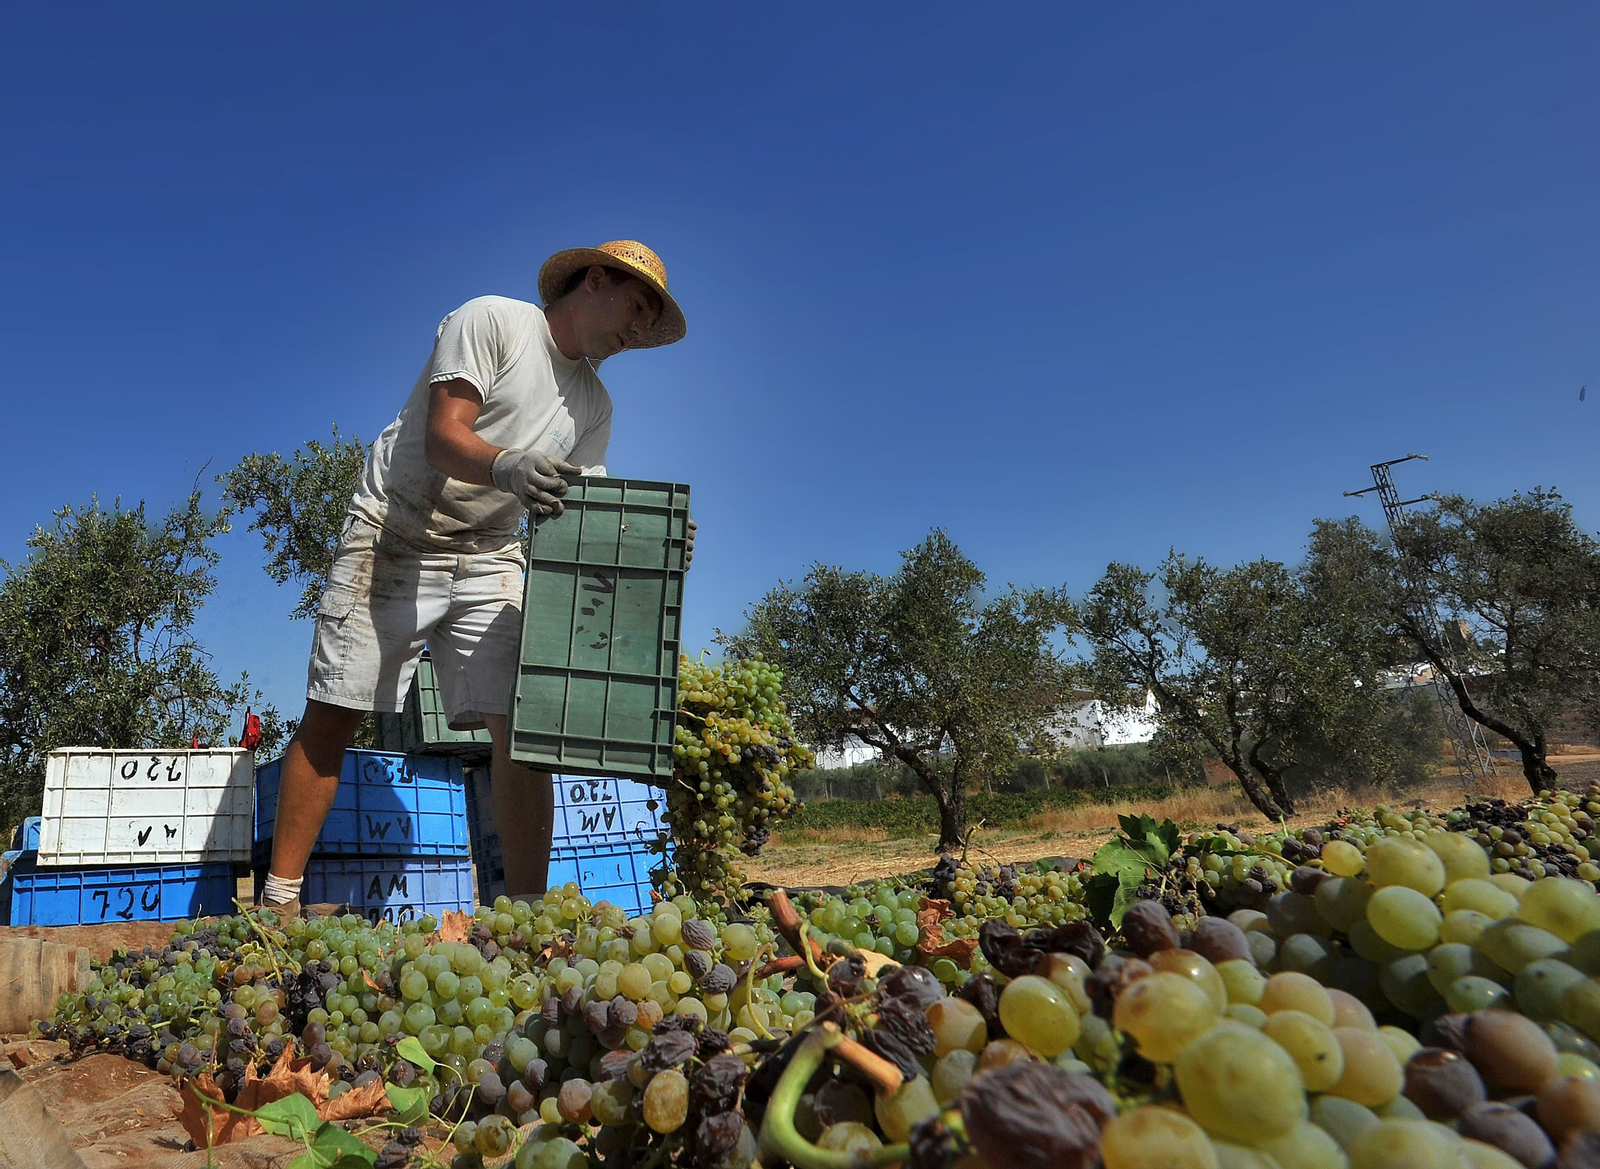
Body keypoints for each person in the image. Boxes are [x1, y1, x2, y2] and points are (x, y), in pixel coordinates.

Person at [259, 240, 691, 918]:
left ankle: (526, 914)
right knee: (336, 709)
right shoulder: (493, 321)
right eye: (636, 309)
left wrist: (650, 542)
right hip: (396, 530)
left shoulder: (594, 405)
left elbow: (586, 515)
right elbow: (443, 436)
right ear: (595, 281)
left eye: (648, 323)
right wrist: (506, 466)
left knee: (525, 726)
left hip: (489, 551)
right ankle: (278, 901)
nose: (637, 332)